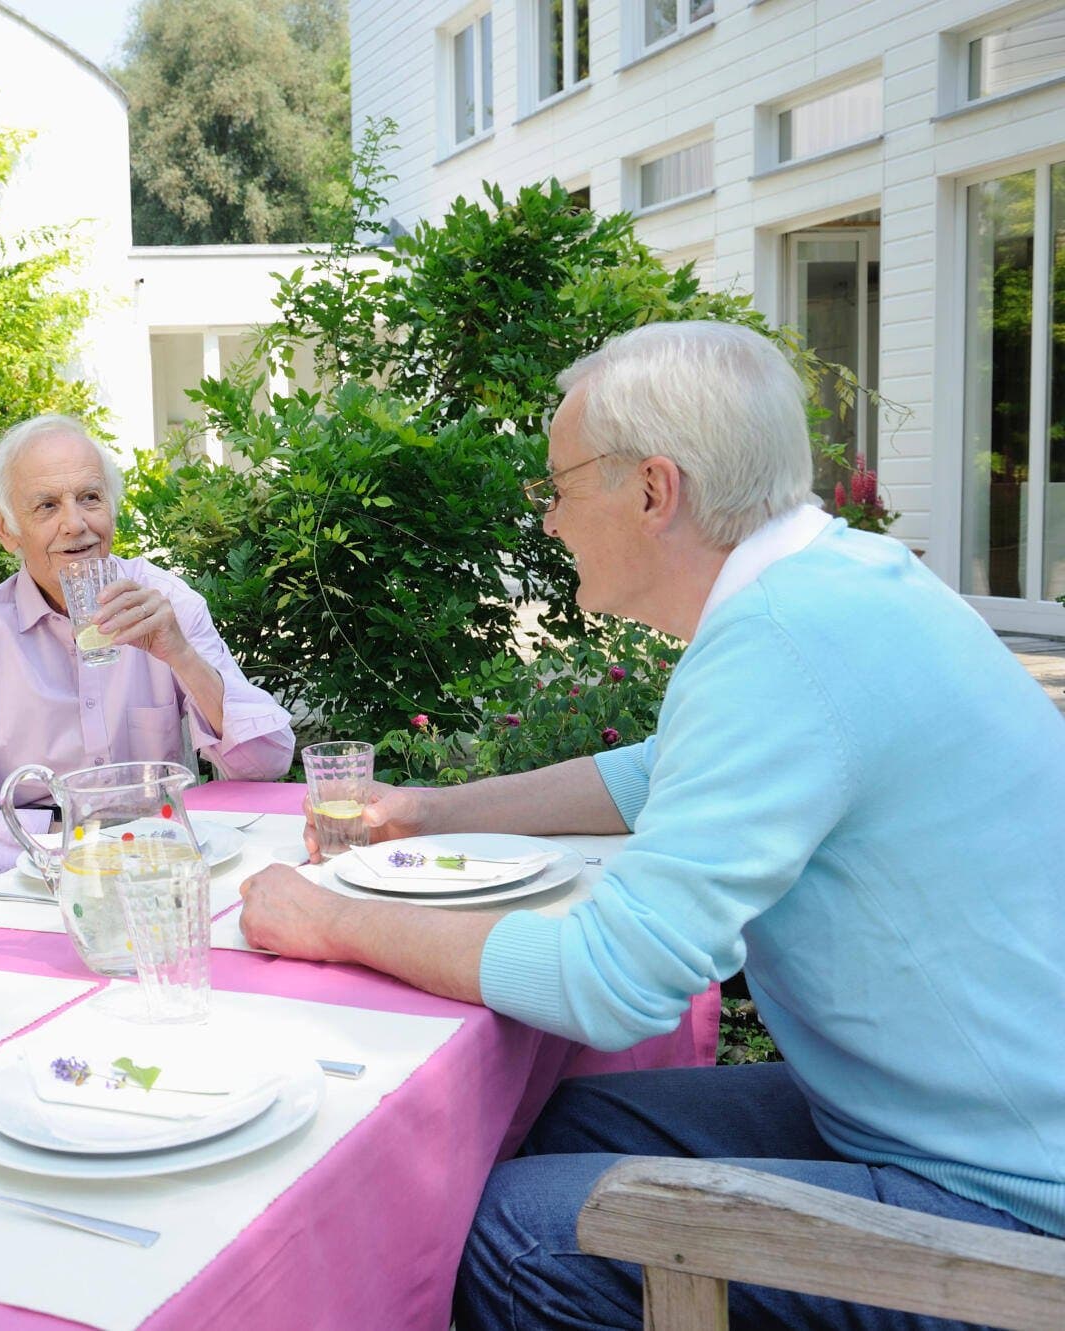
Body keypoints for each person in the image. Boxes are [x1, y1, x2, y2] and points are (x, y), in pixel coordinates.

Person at [237, 321, 1065, 1328]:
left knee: (511, 1232)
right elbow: (658, 772)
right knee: (559, 1114)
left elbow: (607, 979)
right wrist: (424, 809)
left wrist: (325, 920)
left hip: (1012, 1216)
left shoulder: (782, 637)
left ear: (650, 490)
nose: (546, 520)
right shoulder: (834, 584)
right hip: (952, 1120)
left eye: (557, 483)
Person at [0, 414, 293, 876]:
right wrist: (64, 842)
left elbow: (268, 762)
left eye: (89, 498)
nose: (76, 524)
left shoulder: (167, 604)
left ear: (112, 508)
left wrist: (180, 655)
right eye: (46, 506)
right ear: (7, 529)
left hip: (161, 863)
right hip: (37, 874)